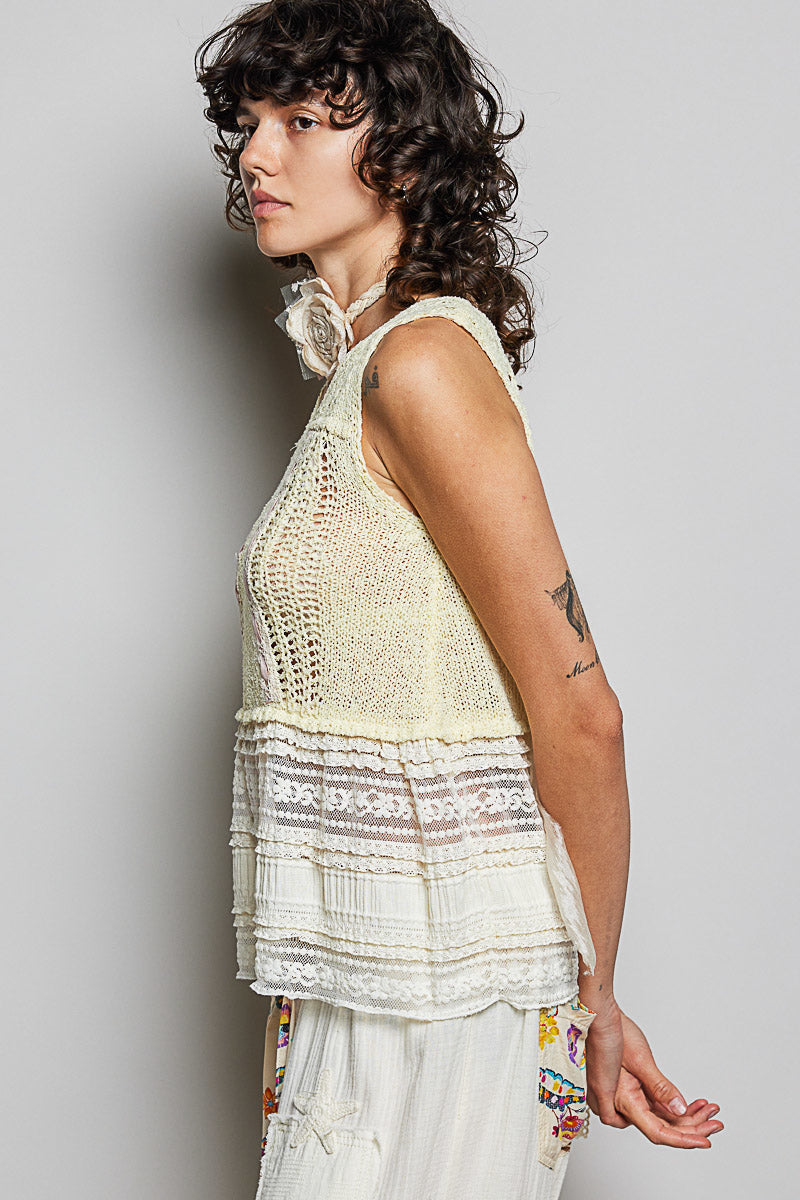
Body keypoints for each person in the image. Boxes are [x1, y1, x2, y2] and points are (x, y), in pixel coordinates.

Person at [195, 2, 724, 1196]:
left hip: (450, 992)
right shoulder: (362, 370)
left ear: (402, 148)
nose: (255, 153)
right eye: (248, 123)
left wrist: (590, 1002)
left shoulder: (422, 363)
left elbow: (579, 711)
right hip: (370, 977)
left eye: (301, 120)